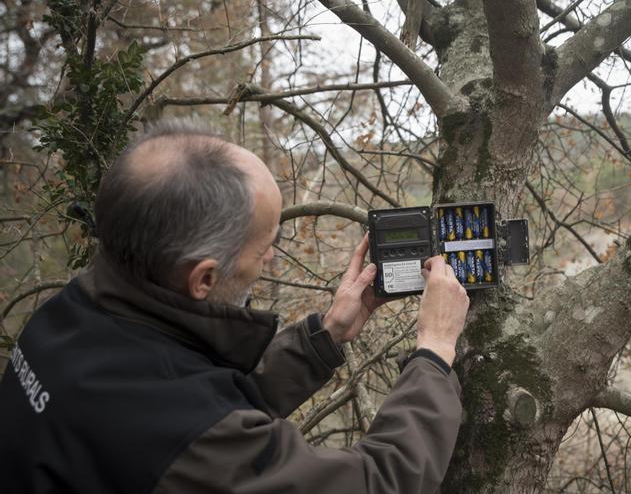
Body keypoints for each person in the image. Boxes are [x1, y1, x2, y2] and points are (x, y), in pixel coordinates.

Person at [0, 120, 470, 493]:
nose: (269, 257)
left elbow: (194, 400)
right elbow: (379, 482)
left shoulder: (68, 315)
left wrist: (322, 338)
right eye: (264, 244)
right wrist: (434, 350)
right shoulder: (180, 439)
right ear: (203, 278)